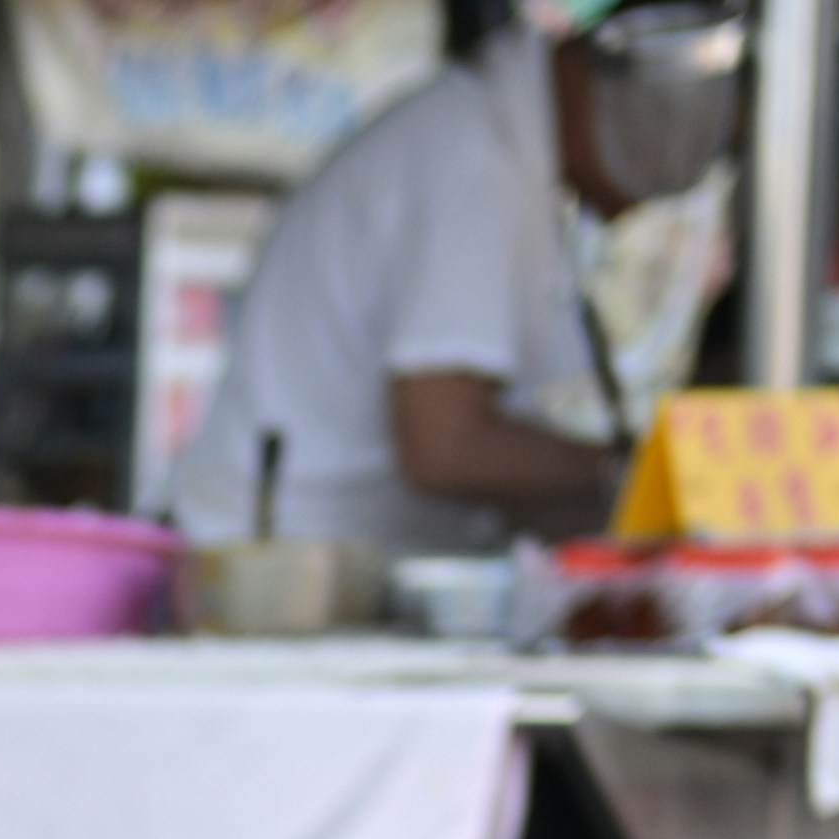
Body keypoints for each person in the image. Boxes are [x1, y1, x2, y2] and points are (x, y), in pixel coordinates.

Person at [160, 0, 743, 555]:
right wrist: (645, 474)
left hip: (324, 549)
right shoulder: (472, 157)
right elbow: (445, 448)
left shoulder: (494, 142)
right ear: (588, 74)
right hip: (287, 561)